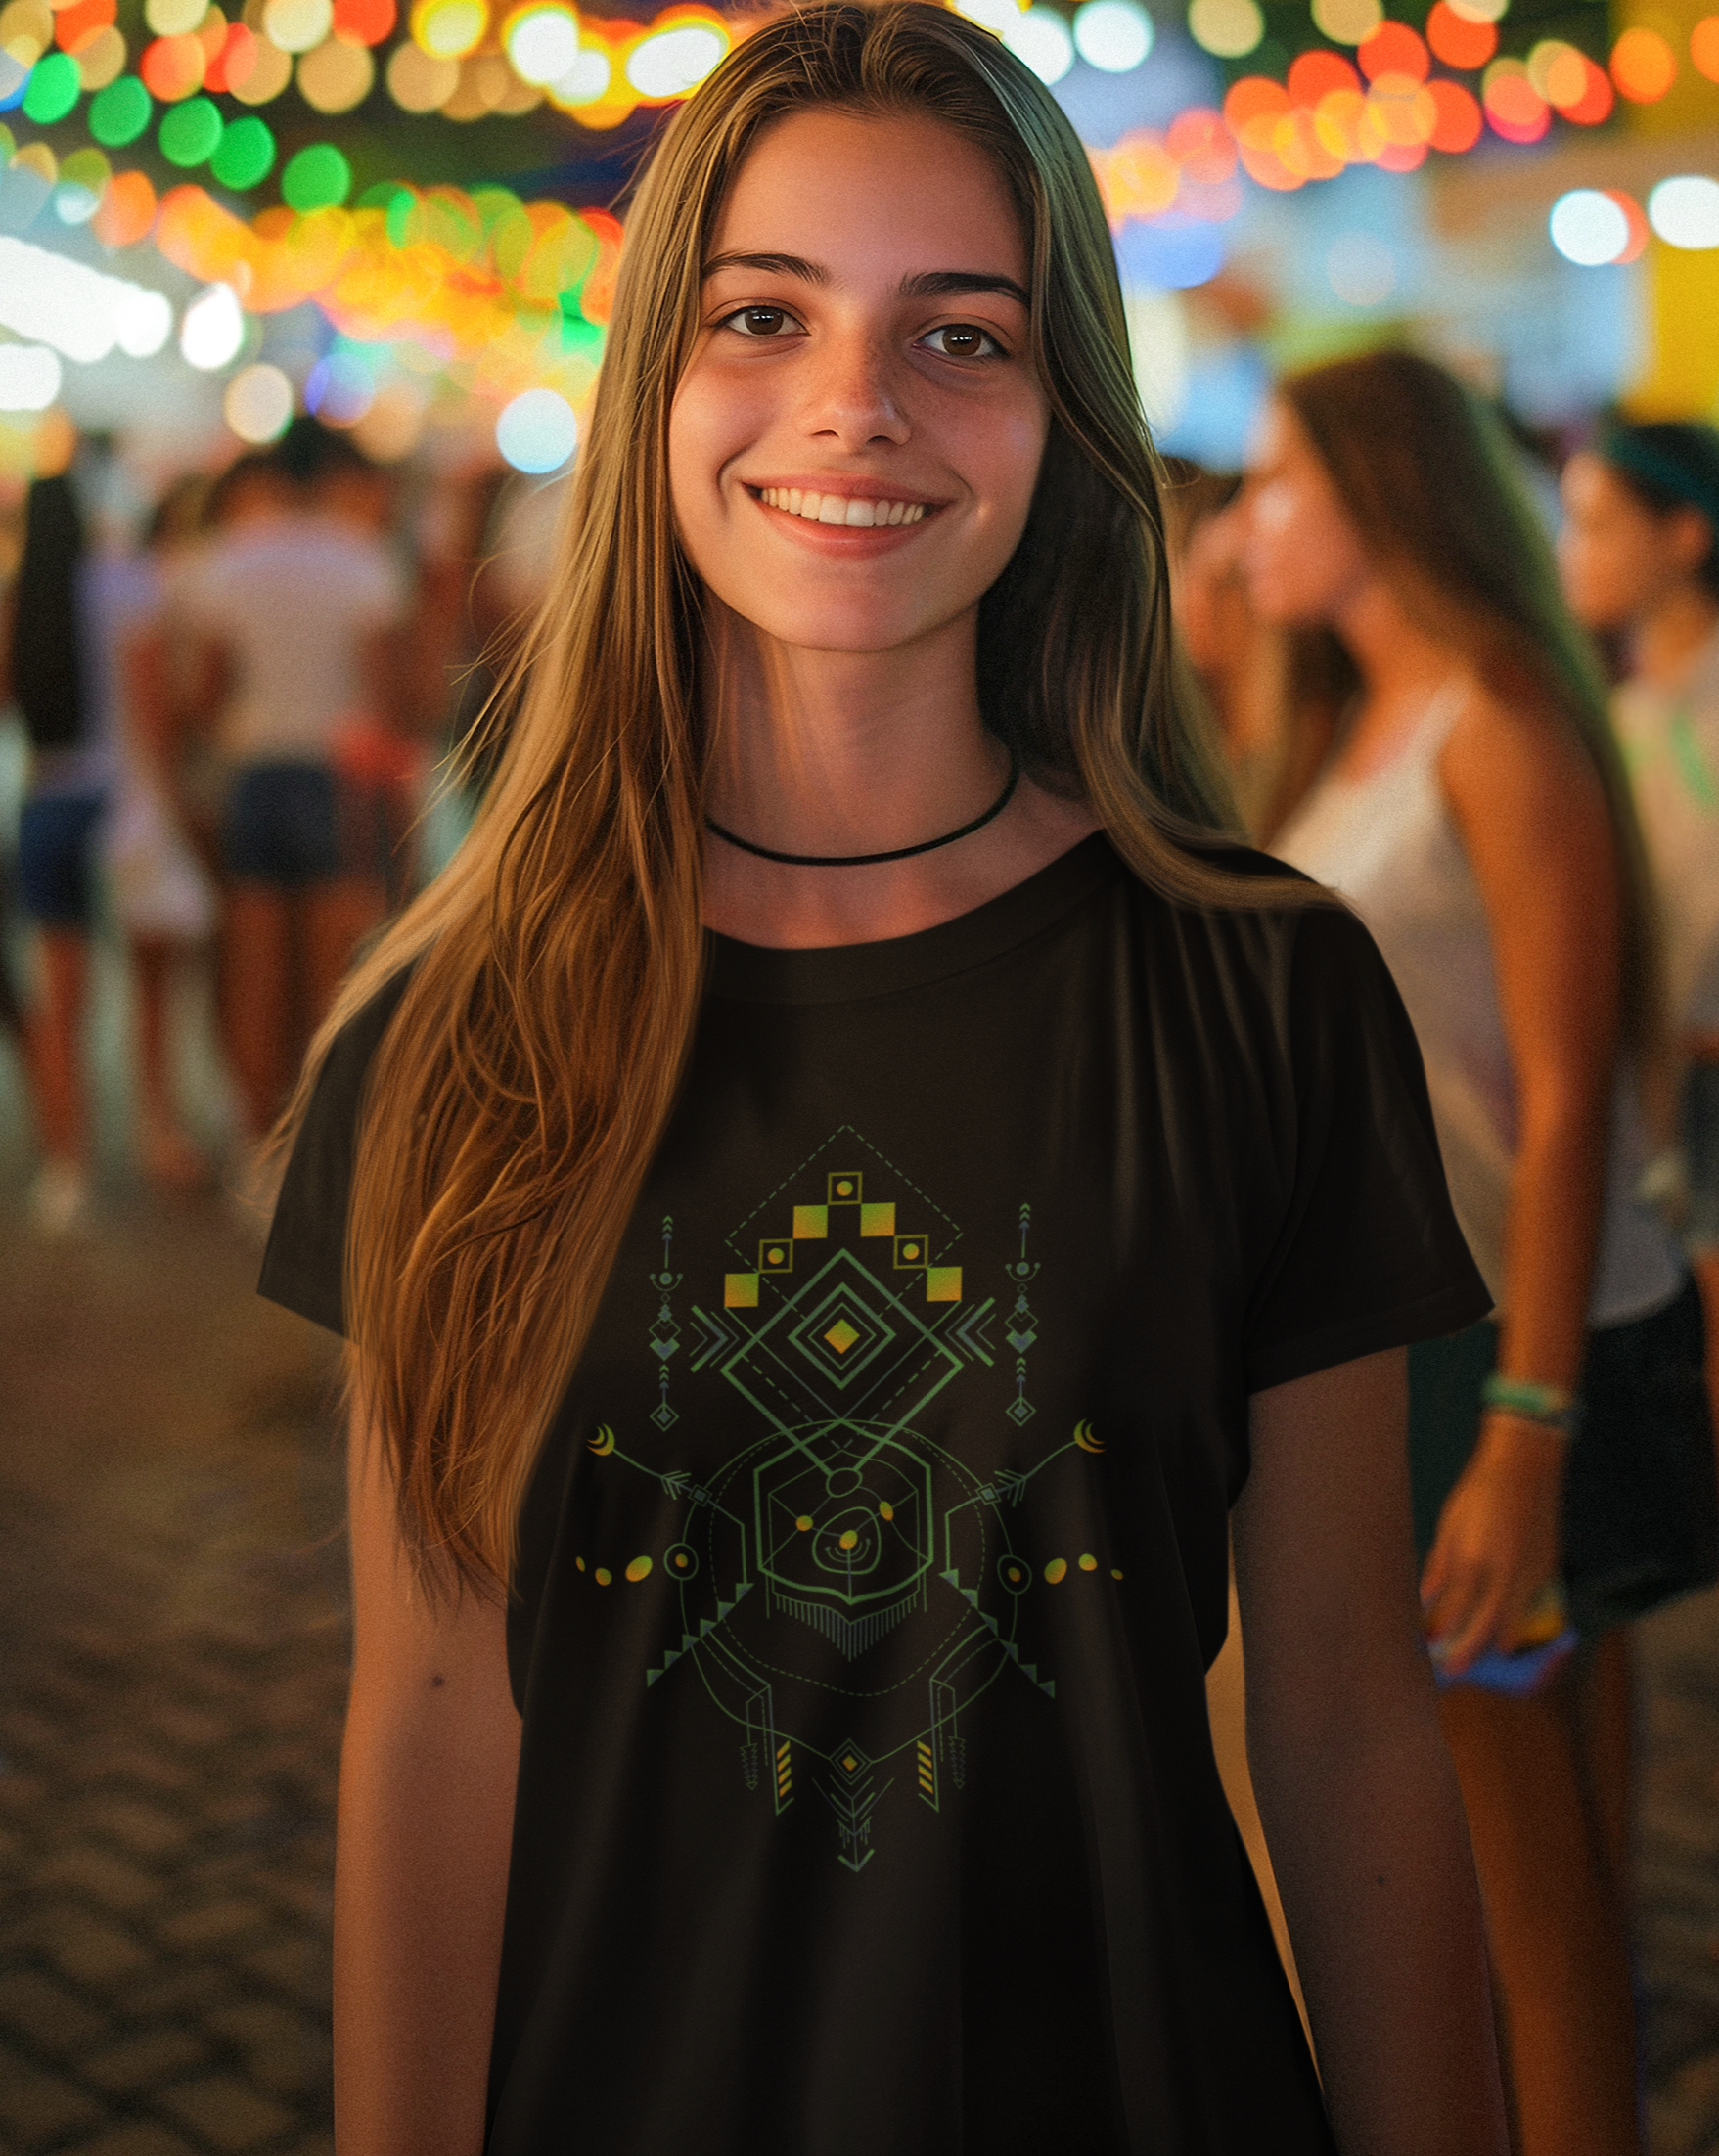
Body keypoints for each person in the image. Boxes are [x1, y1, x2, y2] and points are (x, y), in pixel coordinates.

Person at [261, 12, 1510, 2151]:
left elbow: (1341, 1726)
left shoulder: (1258, 989)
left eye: (962, 336)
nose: (855, 404)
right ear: (655, 382)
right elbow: (434, 1729)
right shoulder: (447, 1027)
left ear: (1062, 419)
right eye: (764, 315)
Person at [1246, 350, 1717, 2156]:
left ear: (1381, 494)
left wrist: (1525, 1428)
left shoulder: (1499, 721)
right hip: (1417, 1345)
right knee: (1505, 1841)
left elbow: (1568, 1090)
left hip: (1513, 1355)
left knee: (1532, 1884)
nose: (1250, 525)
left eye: (1281, 482)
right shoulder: (1356, 721)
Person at [171, 422, 408, 1150]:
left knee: (253, 973)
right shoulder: (363, 561)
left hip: (255, 775)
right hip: (338, 779)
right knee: (333, 975)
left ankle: (255, 1142)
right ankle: (323, 1138)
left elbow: (209, 696)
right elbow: (384, 695)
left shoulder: (230, 561)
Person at [1558, 421, 1719, 1398]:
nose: (1569, 552)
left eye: (1595, 524)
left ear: (1682, 534)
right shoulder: (1617, 714)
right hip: (1659, 1082)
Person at [1, 456, 120, 1231]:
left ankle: (68, 1162)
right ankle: (170, 1134)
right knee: (155, 991)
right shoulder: (117, 590)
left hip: (46, 800)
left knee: (57, 1005)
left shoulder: (19, 602)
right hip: (121, 799)